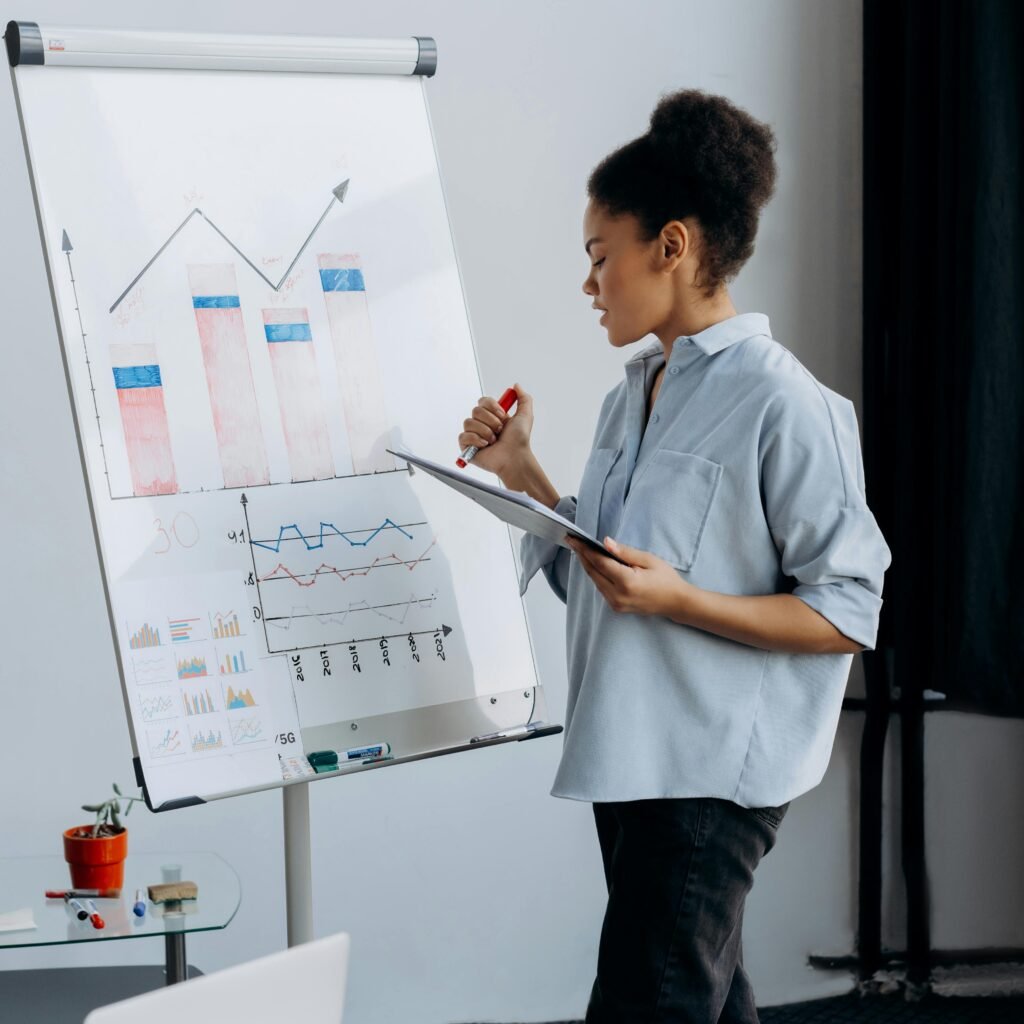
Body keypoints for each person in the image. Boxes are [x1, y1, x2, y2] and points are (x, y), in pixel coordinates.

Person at [458, 89, 891, 1023]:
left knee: (649, 1002)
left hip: (709, 773)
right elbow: (607, 581)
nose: (589, 284)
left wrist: (683, 601)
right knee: (699, 994)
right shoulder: (631, 396)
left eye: (598, 256)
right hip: (632, 756)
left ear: (673, 245)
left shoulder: (788, 405)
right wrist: (522, 472)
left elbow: (850, 612)